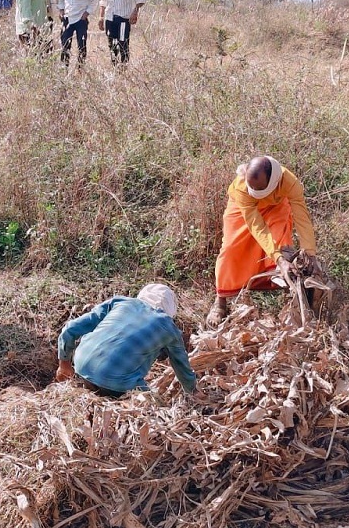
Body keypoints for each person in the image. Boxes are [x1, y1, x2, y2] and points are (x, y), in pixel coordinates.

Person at [206, 156, 318, 327]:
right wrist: (279, 260)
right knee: (230, 248)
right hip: (243, 208)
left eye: (260, 189)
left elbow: (302, 218)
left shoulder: (289, 182)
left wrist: (310, 253)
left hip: (276, 207)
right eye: (253, 188)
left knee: (281, 243)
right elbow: (256, 226)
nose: (256, 191)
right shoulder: (242, 189)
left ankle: (289, 289)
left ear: (274, 182)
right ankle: (220, 301)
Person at [54, 284, 196, 396]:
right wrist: (193, 391)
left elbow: (71, 328)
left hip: (81, 364)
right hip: (118, 382)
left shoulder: (119, 302)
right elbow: (182, 367)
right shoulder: (168, 327)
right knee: (156, 407)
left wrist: (64, 364)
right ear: (169, 310)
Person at [57, 0, 98, 68]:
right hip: (67, 17)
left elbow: (94, 1)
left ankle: (80, 69)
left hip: (81, 18)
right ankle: (64, 68)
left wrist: (86, 13)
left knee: (82, 45)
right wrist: (61, 10)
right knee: (65, 45)